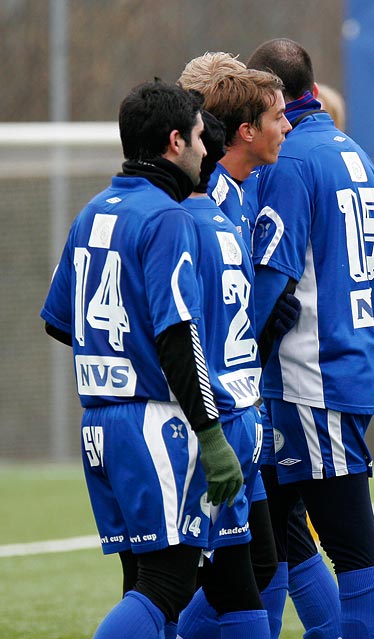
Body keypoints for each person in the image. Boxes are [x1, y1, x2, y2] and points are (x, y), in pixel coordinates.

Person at [40, 80, 242, 639]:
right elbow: (179, 337)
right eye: (201, 139)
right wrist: (211, 435)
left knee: (143, 585)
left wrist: (113, 360)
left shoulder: (92, 212)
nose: (208, 151)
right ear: (176, 142)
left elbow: (61, 323)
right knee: (170, 583)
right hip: (151, 424)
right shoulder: (168, 218)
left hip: (100, 425)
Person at [178, 51, 339, 639]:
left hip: (241, 407)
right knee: (187, 578)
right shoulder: (199, 202)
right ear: (243, 128)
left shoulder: (240, 193)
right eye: (277, 117)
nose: (289, 128)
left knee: (260, 560)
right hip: (210, 413)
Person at [248, 37, 374, 639]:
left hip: (312, 376)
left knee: (351, 543)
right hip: (342, 360)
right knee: (269, 534)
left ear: (272, 95)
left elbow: (272, 281)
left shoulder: (292, 159)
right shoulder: (357, 155)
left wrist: (239, 351)